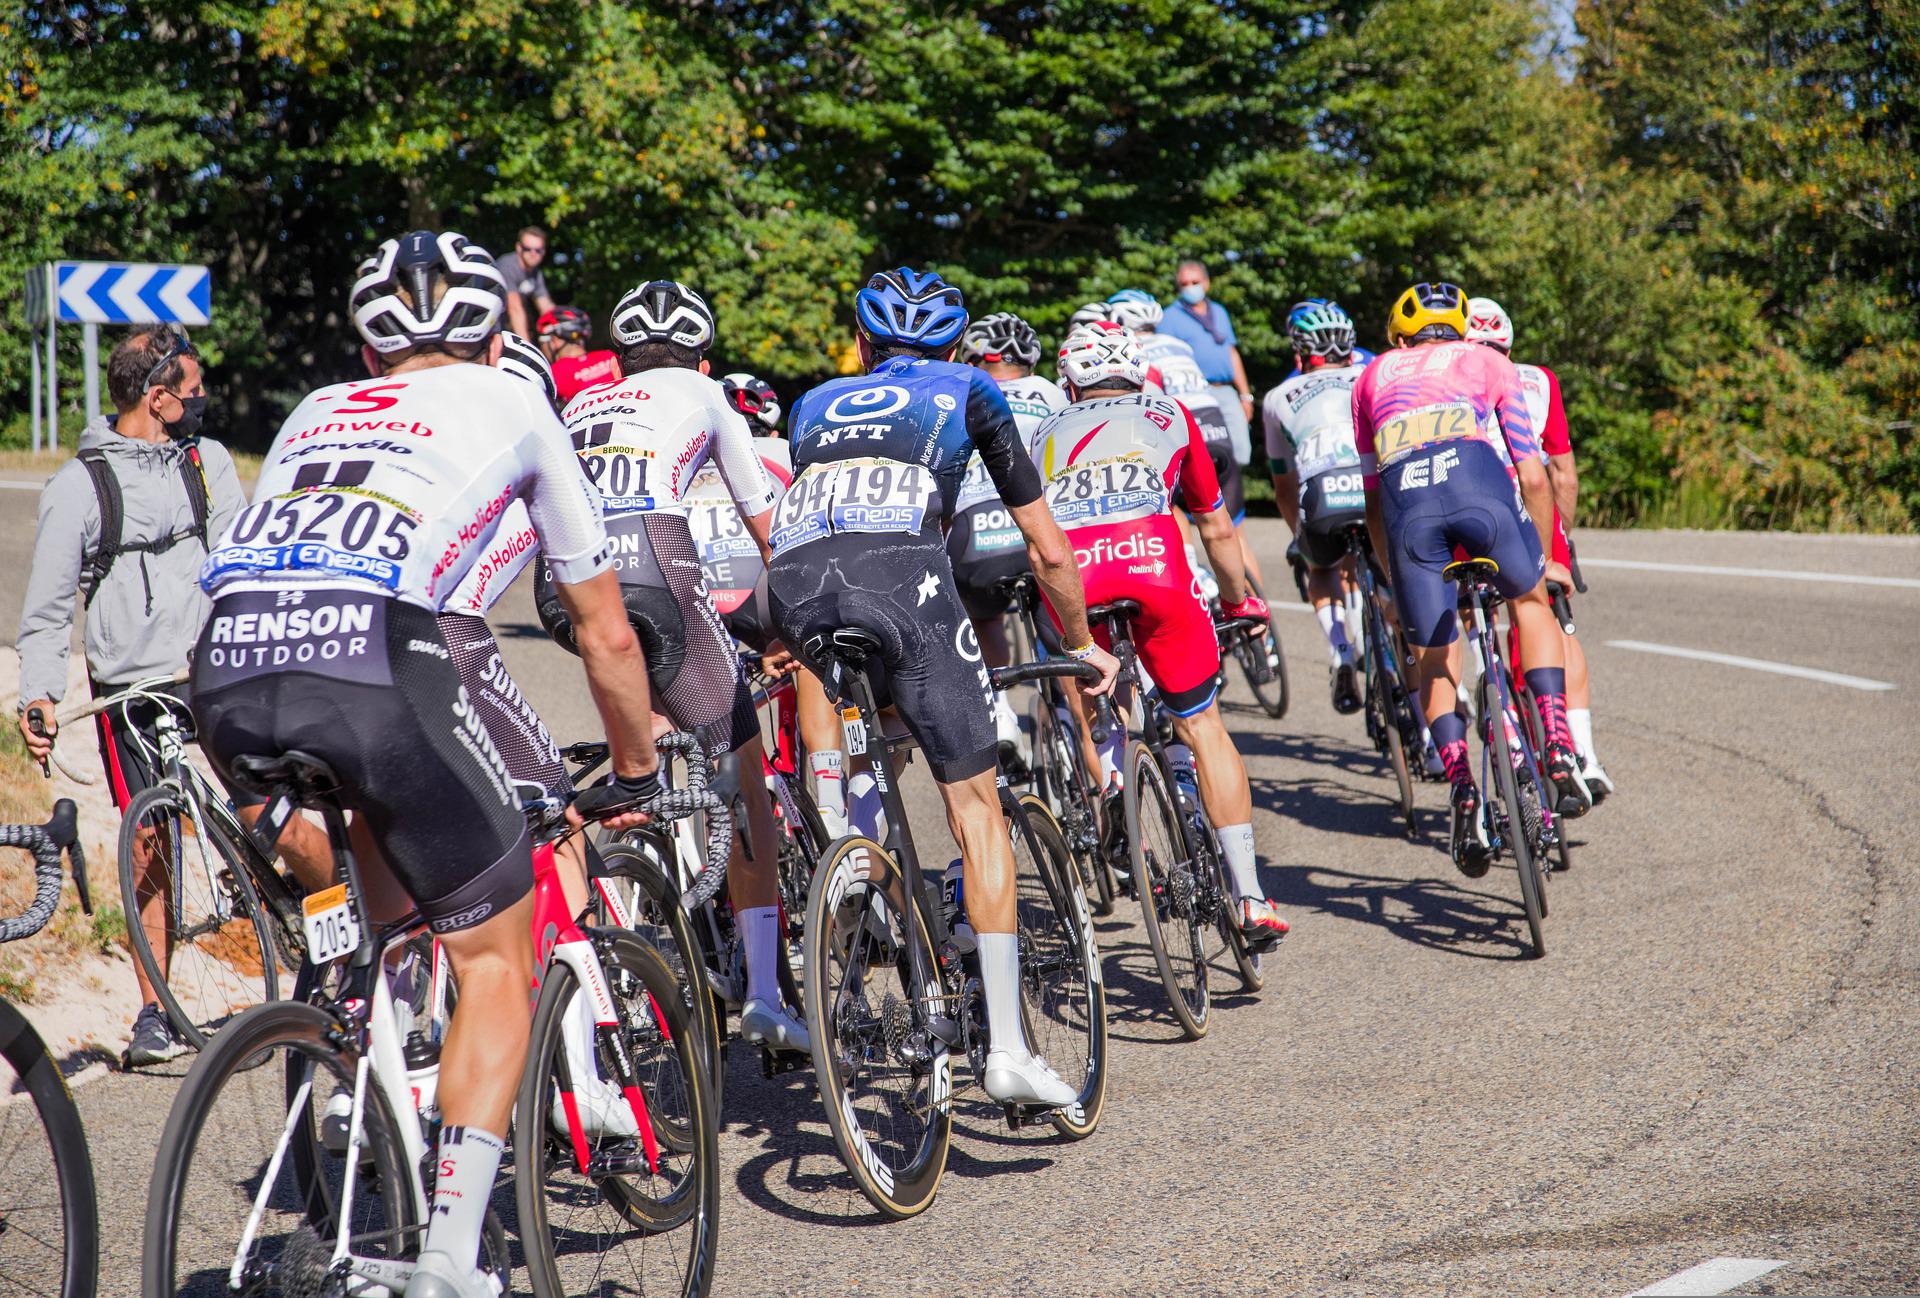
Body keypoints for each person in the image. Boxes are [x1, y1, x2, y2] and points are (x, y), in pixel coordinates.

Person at [191, 228, 659, 1298]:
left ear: (368, 355)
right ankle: (448, 1256)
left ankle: (367, 1051)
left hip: (225, 666)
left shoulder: (315, 406)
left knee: (384, 895)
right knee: (495, 957)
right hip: (377, 654)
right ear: (498, 339)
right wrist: (636, 768)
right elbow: (605, 631)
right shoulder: (517, 401)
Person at [768, 266, 1118, 1107]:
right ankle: (1009, 1051)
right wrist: (1081, 645)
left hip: (796, 592)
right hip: (906, 587)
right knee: (975, 808)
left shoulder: (812, 404)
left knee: (875, 726)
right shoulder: (971, 389)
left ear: (861, 346)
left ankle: (859, 873)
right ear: (959, 349)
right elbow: (1048, 550)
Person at [15, 326, 333, 1067]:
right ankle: (154, 1011)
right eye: (193, 390)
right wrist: (39, 697)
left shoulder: (207, 461)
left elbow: (239, 560)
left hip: (211, 667)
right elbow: (47, 611)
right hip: (129, 686)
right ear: (157, 399)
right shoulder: (79, 487)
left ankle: (353, 923)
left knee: (273, 818)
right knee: (148, 845)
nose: (203, 400)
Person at [531, 278, 811, 1055]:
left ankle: (640, 863)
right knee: (742, 763)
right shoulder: (708, 394)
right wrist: (797, 626)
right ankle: (765, 993)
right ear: (703, 359)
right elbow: (769, 533)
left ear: (618, 359)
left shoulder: (579, 404)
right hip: (655, 559)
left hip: (565, 585)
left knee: (646, 724)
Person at [1033, 321, 1290, 944]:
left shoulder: (1042, 430)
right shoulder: (1169, 413)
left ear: (1070, 384)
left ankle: (1115, 783)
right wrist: (1238, 600)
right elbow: (1216, 527)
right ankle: (1250, 897)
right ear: (1138, 375)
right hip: (1155, 568)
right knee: (1203, 725)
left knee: (1098, 698)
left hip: (1075, 578)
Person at [1351, 282, 1588, 879]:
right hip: (1481, 496)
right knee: (1529, 603)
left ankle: (1460, 783)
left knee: (1434, 657)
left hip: (1410, 520)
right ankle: (1558, 744)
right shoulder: (1487, 361)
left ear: (1399, 336)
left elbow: (1373, 504)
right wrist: (1543, 557)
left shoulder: (1370, 378)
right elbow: (1534, 477)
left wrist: (1393, 576)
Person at [1466, 297, 1612, 802]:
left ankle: (1501, 720)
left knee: (1475, 617)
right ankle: (1584, 754)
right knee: (1552, 622)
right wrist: (1560, 536)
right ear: (1509, 346)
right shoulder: (1539, 379)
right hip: (1536, 515)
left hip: (1475, 512)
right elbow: (1563, 474)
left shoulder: (1449, 378)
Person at [949, 310, 1069, 769]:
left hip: (972, 536)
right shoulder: (1049, 391)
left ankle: (1001, 714)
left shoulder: (957, 393)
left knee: (983, 617)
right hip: (1034, 528)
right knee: (1062, 631)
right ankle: (1078, 735)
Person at [1262, 301, 1371, 716]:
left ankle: (1340, 648)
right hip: (1369, 488)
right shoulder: (1370, 375)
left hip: (1321, 495)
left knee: (1321, 567)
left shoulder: (1278, 396)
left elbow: (1283, 485)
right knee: (1389, 571)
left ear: (1300, 355)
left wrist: (1300, 537)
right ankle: (1389, 655)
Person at [1157, 260, 1257, 468]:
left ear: (1206, 283)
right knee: (1208, 457)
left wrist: (1245, 395)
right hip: (1195, 395)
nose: (1189, 287)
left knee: (1241, 452)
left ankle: (1236, 489)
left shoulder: (1219, 311)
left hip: (1226, 391)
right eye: (1184, 284)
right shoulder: (1170, 317)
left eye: (1194, 282)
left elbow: (1231, 352)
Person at [537, 305, 621, 403]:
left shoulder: (552, 374)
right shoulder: (610, 357)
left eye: (542, 342)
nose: (542, 348)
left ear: (555, 340)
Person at [492, 225, 555, 340]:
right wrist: (526, 346)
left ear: (543, 252)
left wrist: (561, 326)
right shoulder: (508, 266)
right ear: (519, 248)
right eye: (528, 249)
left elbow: (546, 307)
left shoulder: (535, 273)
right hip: (491, 327)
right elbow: (515, 309)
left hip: (505, 327)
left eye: (538, 250)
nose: (533, 253)